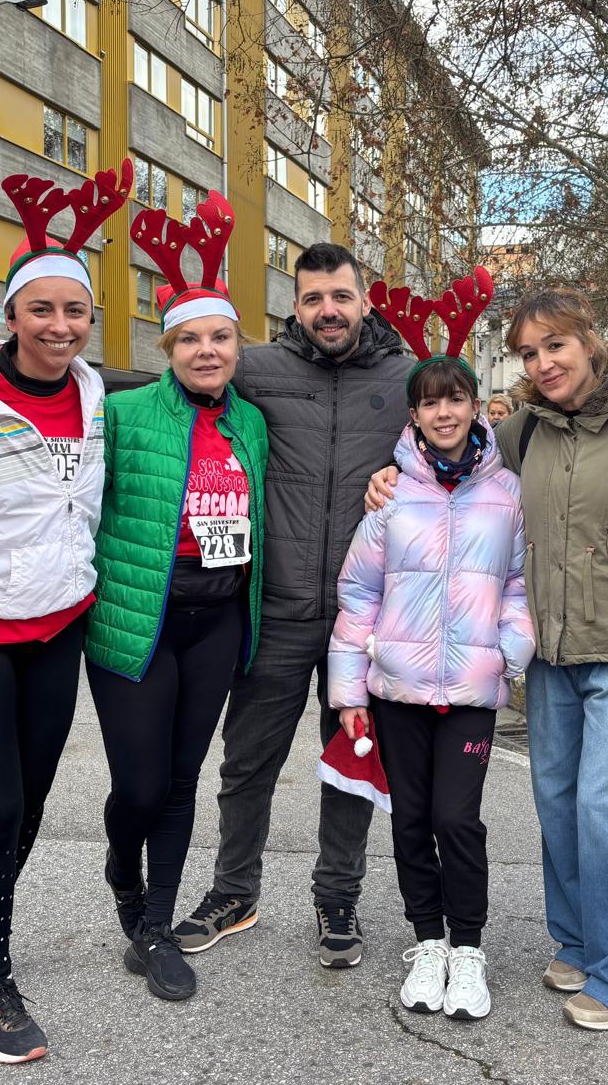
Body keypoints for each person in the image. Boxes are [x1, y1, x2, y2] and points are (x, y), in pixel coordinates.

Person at [368, 284, 608, 1030]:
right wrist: (387, 476)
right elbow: (453, 467)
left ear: (590, 340)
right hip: (550, 650)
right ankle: (579, 940)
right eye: (529, 353)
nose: (543, 364)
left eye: (556, 346)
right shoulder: (525, 434)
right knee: (558, 805)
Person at [0, 165, 129, 1063]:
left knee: (37, 800)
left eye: (74, 313)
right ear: (10, 315)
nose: (58, 327)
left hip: (58, 627)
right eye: (41, 310)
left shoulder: (94, 395)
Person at [173, 242, 410, 969]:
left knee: (350, 763)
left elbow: (465, 447)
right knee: (248, 762)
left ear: (365, 300)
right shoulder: (261, 370)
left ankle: (336, 898)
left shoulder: (408, 378)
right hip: (274, 609)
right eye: (312, 299)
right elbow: (184, 377)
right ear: (295, 305)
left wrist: (407, 477)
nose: (327, 311)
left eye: (340, 296)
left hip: (363, 619)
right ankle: (233, 891)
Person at [329, 268, 533, 1022]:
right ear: (414, 414)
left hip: (471, 691)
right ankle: (429, 942)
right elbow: (358, 596)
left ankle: (470, 949)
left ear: (475, 405)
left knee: (458, 819)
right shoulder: (390, 496)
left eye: (455, 397)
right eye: (429, 400)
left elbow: (519, 584)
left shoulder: (506, 492)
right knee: (410, 818)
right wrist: (348, 692)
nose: (443, 411)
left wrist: (510, 651)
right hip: (398, 690)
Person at [86, 193, 268, 1003]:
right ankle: (122, 861)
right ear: (169, 348)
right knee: (138, 784)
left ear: (236, 345)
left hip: (217, 622)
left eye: (220, 336)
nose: (206, 350)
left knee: (185, 778)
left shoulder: (253, 424)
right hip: (135, 621)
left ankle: (154, 926)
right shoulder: (123, 413)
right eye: (190, 338)